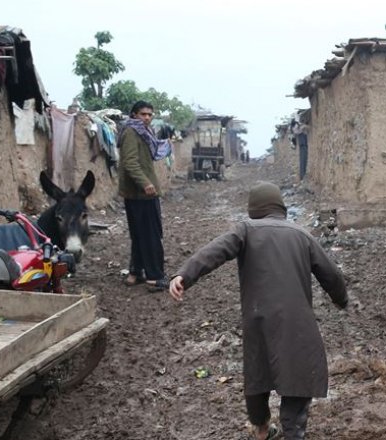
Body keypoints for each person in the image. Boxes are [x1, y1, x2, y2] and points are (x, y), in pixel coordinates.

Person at [168, 181, 348, 440]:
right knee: (296, 376)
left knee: (258, 375)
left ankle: (261, 429)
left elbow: (215, 251)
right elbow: (331, 274)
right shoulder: (301, 234)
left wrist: (185, 275)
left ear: (253, 209)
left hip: (258, 321)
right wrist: (340, 299)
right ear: (281, 208)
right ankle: (293, 433)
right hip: (297, 325)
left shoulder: (246, 230)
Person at [119, 100, 172, 291]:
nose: (147, 117)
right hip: (142, 193)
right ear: (134, 115)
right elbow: (130, 162)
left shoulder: (140, 132)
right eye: (143, 114)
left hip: (136, 194)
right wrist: (146, 183)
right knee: (151, 235)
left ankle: (135, 272)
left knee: (140, 234)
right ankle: (155, 277)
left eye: (150, 114)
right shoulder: (132, 132)